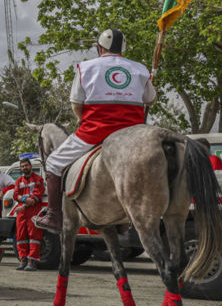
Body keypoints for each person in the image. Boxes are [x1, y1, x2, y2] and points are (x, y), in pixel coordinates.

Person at [35, 29, 157, 233]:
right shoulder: (140, 69)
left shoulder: (85, 67)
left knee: (54, 163)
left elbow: (76, 104)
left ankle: (54, 216)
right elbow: (150, 100)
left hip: (95, 131)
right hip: (133, 134)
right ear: (123, 49)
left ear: (100, 48)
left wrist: (84, 121)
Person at [12, 158, 45, 271]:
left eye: (26, 165)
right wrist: (25, 199)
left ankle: (32, 262)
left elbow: (36, 197)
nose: (24, 168)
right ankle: (23, 261)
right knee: (21, 237)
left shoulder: (38, 180)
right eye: (22, 166)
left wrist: (23, 202)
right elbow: (15, 195)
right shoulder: (18, 181)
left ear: (31, 166)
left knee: (34, 237)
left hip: (34, 211)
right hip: (22, 213)